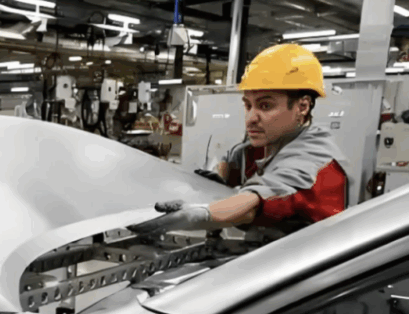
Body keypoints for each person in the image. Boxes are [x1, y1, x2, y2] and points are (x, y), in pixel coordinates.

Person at [129, 44, 350, 236]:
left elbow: (254, 203)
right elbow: (236, 175)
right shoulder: (260, 148)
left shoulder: (315, 160)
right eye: (248, 105)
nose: (251, 118)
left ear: (302, 106)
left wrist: (202, 213)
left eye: (265, 106)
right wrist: (216, 185)